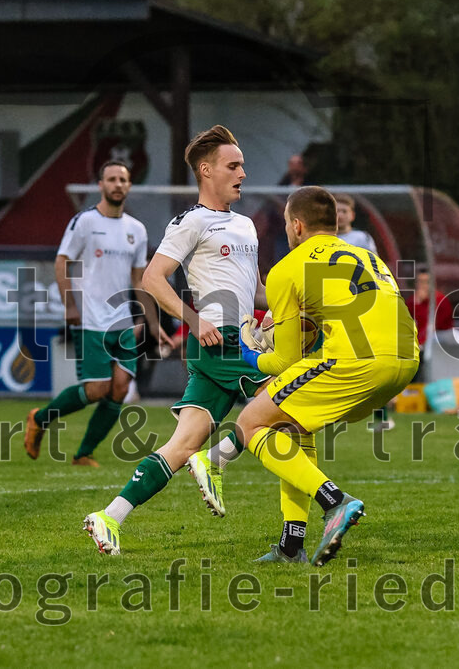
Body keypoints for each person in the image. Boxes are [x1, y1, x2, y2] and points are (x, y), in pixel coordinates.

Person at [82, 125, 269, 555]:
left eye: (242, 165)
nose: (243, 172)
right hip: (220, 340)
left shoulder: (245, 226)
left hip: (242, 338)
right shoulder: (191, 221)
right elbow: (152, 278)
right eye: (233, 165)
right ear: (206, 171)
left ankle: (109, 516)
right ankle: (221, 464)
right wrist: (193, 317)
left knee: (181, 446)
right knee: (289, 403)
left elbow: (256, 289)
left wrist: (284, 304)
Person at [237, 186, 418, 565]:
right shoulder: (369, 256)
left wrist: (250, 355)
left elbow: (284, 360)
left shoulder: (286, 267)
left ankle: (334, 502)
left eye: (287, 223)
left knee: (250, 424)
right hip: (406, 359)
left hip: (358, 360)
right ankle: (291, 546)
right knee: (292, 426)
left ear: (297, 225)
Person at [23, 160, 161, 467]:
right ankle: (41, 418)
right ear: (101, 185)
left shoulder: (136, 230)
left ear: (129, 185)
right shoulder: (84, 222)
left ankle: (83, 453)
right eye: (111, 179)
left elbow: (138, 279)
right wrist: (69, 304)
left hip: (122, 320)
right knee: (97, 389)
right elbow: (62, 262)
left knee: (121, 389)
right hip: (90, 319)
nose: (117, 184)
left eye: (123, 179)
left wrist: (148, 320)